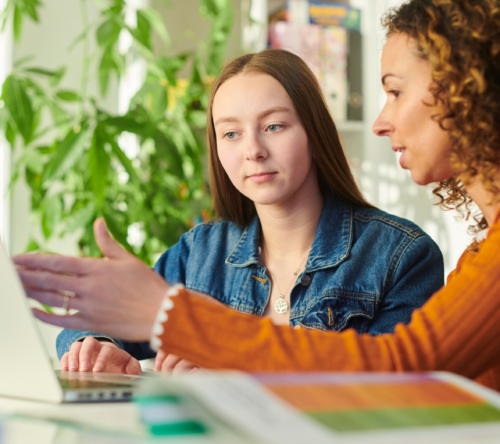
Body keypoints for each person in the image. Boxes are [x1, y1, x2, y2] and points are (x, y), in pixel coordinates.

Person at [17, 0, 500, 389]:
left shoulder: (402, 255)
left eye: (273, 126)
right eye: (229, 134)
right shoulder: (200, 252)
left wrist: (207, 346)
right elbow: (99, 324)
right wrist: (96, 342)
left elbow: (398, 375)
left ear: (464, 90)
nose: (252, 151)